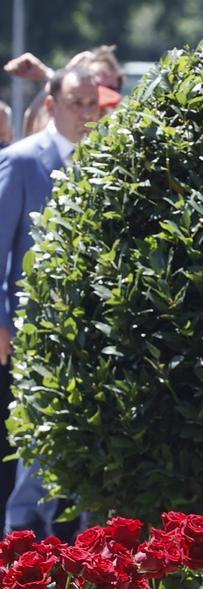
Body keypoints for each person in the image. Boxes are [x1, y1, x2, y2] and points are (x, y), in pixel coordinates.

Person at [0, 68, 99, 535]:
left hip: (89, 338)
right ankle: (19, 570)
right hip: (30, 336)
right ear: (51, 105)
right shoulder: (20, 161)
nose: (86, 112)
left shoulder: (102, 164)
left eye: (91, 104)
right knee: (34, 461)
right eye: (76, 102)